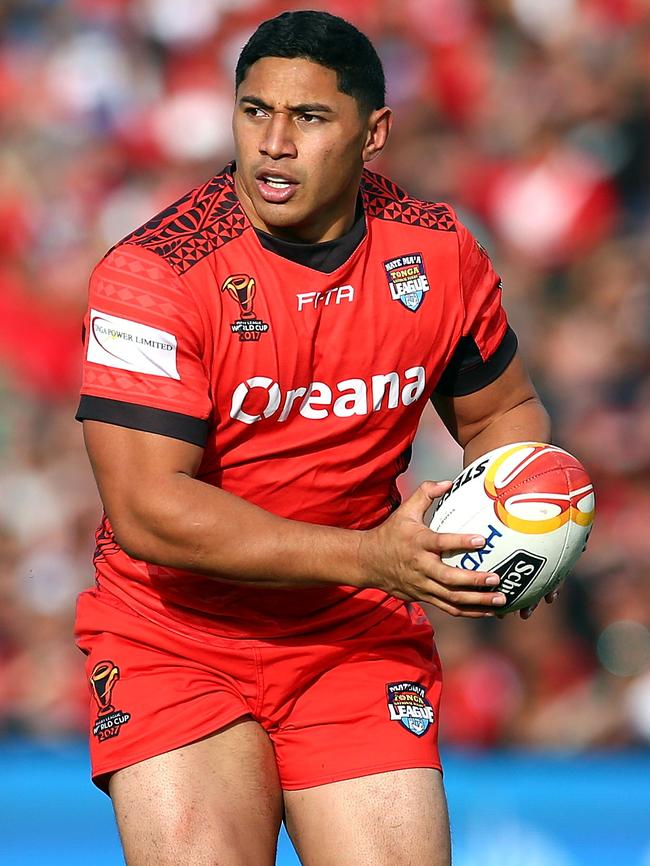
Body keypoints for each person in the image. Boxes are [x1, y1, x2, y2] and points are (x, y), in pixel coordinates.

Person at [75, 10, 551, 866]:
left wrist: (522, 525)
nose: (274, 144)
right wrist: (374, 557)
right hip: (175, 639)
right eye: (254, 111)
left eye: (309, 117)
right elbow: (149, 511)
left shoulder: (438, 252)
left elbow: (502, 414)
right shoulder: (153, 274)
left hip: (352, 639)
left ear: (375, 134)